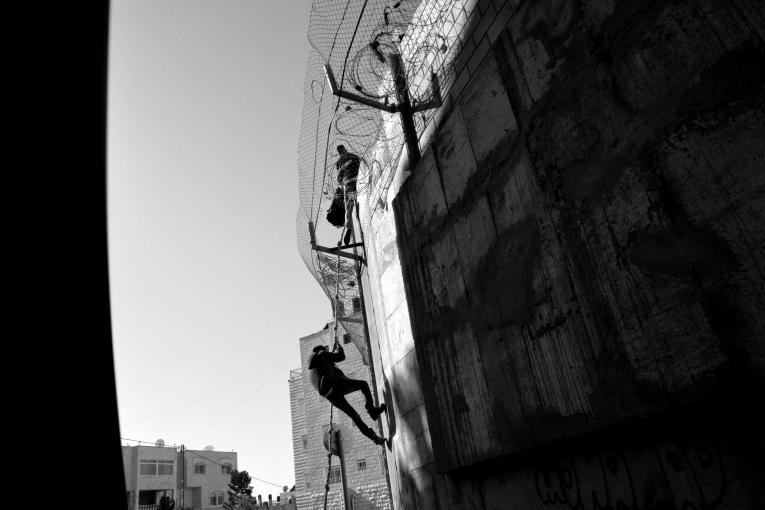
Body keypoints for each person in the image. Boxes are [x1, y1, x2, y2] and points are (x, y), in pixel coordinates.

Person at [308, 341, 387, 445]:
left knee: (354, 415)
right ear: (322, 349)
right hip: (337, 385)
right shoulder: (321, 354)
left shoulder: (314, 368)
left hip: (331, 396)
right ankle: (372, 411)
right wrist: (339, 346)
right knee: (363, 385)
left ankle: (375, 438)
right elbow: (341, 357)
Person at [335, 145, 361, 245]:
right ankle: (349, 227)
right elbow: (360, 164)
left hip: (349, 185)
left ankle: (348, 228)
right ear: (345, 150)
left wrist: (340, 184)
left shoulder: (340, 163)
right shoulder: (354, 157)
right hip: (357, 182)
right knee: (351, 205)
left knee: (349, 208)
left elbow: (339, 178)